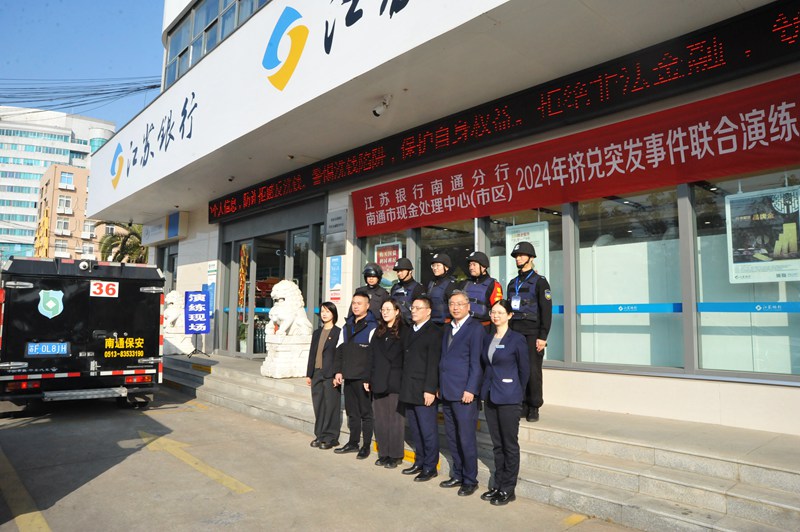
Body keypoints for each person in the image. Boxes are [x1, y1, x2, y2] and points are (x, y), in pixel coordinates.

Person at [480, 300, 530, 506]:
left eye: (500, 312)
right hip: (490, 395)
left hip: (509, 397)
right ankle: (498, 484)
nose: (495, 316)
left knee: (509, 445)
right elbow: (486, 366)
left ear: (509, 315)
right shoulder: (488, 338)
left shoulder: (517, 339)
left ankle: (508, 488)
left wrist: (516, 392)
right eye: (493, 312)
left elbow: (524, 370)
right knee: (497, 444)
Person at [438, 289, 484, 496]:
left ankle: (470, 479)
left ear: (468, 306)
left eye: (459, 304)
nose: (455, 307)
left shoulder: (475, 329)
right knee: (452, 437)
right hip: (447, 390)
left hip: (464, 393)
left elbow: (476, 362)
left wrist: (471, 389)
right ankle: (457, 474)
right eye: (452, 304)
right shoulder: (448, 327)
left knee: (466, 438)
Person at [506, 241, 552, 422]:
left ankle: (534, 406)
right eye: (516, 256)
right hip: (515, 332)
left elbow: (546, 311)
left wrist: (543, 336)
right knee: (518, 369)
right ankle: (522, 403)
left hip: (532, 333)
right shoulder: (513, 283)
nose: (518, 258)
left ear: (531, 258)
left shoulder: (540, 282)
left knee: (533, 370)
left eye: (521, 255)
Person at [399, 296, 442, 482]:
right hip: (409, 387)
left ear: (428, 311)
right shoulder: (410, 330)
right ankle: (420, 461)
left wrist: (430, 389)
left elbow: (433, 363)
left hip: (424, 389)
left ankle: (430, 466)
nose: (413, 311)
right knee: (416, 429)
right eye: (413, 308)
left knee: (428, 430)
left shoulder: (434, 332)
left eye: (418, 308)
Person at [333, 291, 377, 459]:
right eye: (354, 303)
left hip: (363, 378)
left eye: (359, 303)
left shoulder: (373, 326)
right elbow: (339, 350)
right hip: (349, 375)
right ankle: (353, 442)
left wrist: (368, 377)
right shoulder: (347, 326)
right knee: (352, 412)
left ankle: (366, 446)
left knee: (366, 413)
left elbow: (374, 355)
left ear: (367, 305)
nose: (356, 306)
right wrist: (338, 371)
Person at [364, 299, 406, 469]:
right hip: (379, 380)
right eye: (383, 309)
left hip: (396, 380)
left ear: (397, 311)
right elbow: (370, 356)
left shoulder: (404, 331)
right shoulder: (378, 331)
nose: (385, 312)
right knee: (381, 419)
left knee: (395, 420)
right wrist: (367, 378)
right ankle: (384, 453)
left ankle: (395, 455)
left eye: (389, 309)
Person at [305, 302, 342, 450]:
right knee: (318, 405)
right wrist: (309, 374)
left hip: (330, 374)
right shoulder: (317, 332)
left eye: (327, 311)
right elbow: (312, 354)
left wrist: (338, 373)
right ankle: (319, 435)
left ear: (333, 313)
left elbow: (340, 355)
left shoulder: (338, 332)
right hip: (316, 373)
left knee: (331, 405)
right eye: (322, 311)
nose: (324, 314)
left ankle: (331, 437)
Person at [460, 251, 503, 325]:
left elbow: (497, 310)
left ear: (483, 267)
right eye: (470, 265)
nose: (471, 268)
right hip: (465, 325)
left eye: (474, 265)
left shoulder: (493, 284)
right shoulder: (465, 283)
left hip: (484, 326)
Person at [390, 257, 424, 325]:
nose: (399, 273)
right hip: (395, 325)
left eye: (401, 270)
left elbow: (421, 310)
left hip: (410, 325)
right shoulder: (395, 287)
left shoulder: (418, 288)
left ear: (410, 271)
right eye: (398, 271)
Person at [426, 252, 457, 325]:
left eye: (438, 265)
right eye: (433, 265)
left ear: (446, 267)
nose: (435, 268)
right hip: (431, 323)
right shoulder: (431, 283)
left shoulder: (450, 284)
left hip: (445, 324)